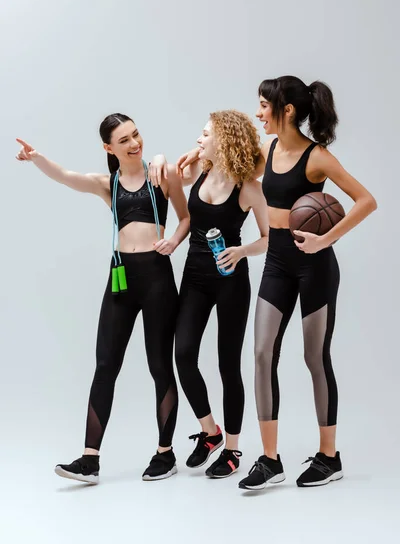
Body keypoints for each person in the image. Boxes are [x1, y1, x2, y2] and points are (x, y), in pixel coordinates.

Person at [175, 77, 377, 489]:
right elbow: (228, 163)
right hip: (277, 264)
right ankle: (270, 460)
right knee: (262, 354)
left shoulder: (317, 157)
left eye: (264, 105)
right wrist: (197, 153)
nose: (258, 112)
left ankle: (329, 457)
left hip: (314, 266)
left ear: (286, 110)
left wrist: (326, 238)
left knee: (314, 359)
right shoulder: (266, 151)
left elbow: (366, 200)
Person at [15, 113, 190, 483]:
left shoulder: (162, 174)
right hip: (121, 279)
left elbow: (185, 218)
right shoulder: (107, 184)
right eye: (124, 139)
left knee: (160, 366)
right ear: (108, 148)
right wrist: (37, 158)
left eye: (136, 134)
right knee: (105, 365)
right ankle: (90, 459)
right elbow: (66, 177)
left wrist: (173, 240)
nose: (134, 143)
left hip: (157, 277)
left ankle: (165, 453)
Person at [150, 110, 269, 478]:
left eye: (205, 134)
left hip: (231, 278)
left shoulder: (249, 186)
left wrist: (241, 251)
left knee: (228, 365)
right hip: (196, 276)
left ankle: (232, 450)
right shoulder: (198, 170)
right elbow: (167, 174)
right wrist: (158, 158)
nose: (199, 139)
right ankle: (209, 431)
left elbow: (268, 238)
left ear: (224, 140)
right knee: (183, 354)